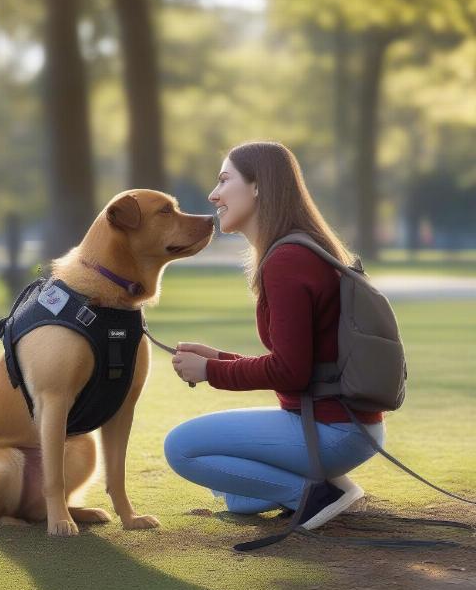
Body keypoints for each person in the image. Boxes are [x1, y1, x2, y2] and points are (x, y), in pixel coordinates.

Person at [164, 141, 385, 529]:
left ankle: (315, 495)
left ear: (257, 187)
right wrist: (219, 359)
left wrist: (211, 373)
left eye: (224, 179)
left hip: (335, 431)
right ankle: (320, 484)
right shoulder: (299, 250)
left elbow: (291, 372)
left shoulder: (287, 260)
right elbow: (305, 362)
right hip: (344, 426)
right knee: (236, 497)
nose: (214, 194)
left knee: (180, 448)